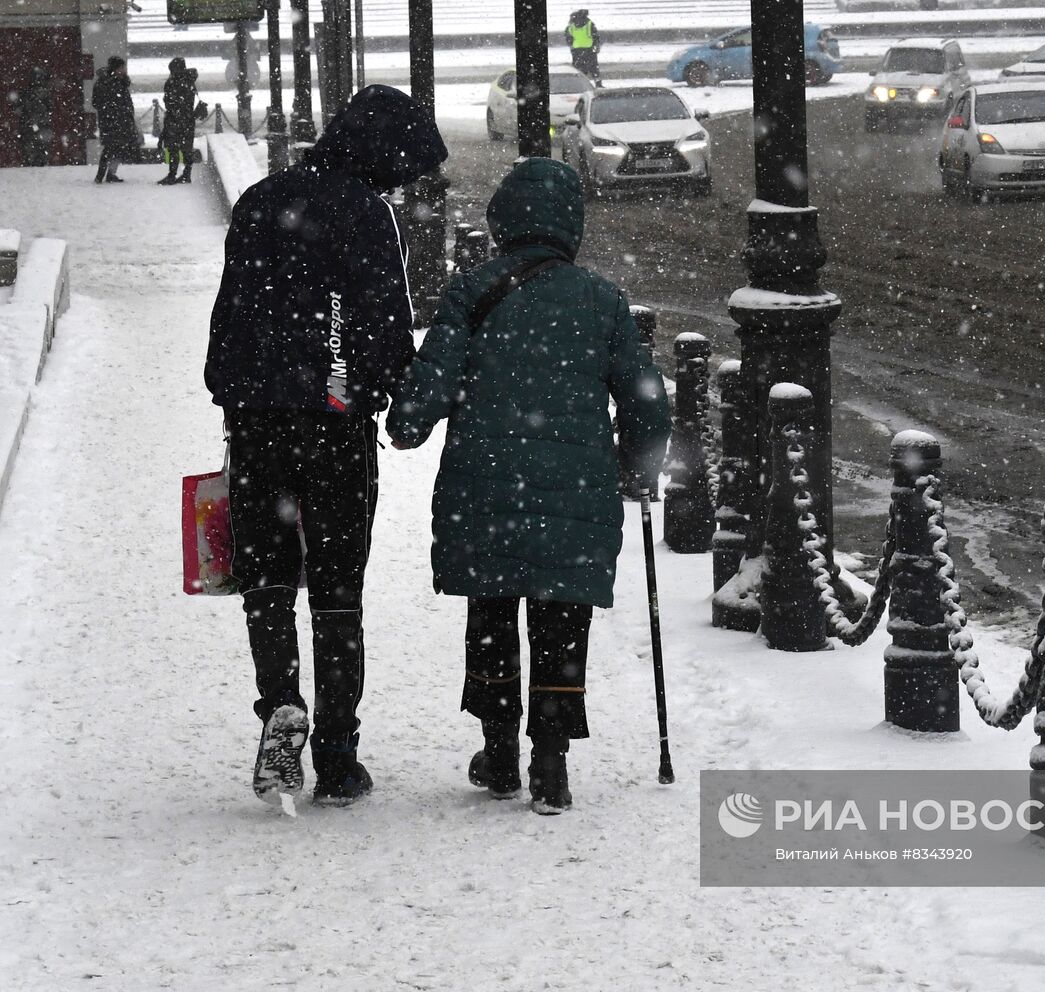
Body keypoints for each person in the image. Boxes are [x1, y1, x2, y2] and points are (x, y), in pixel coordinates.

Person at [386, 158, 670, 815]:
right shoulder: (602, 300)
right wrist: (638, 467)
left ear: (502, 220)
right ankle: (552, 760)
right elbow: (647, 400)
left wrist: (406, 423)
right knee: (560, 616)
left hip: (484, 491)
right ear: (571, 223)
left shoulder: (471, 290)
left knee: (492, 616)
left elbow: (428, 385)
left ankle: (499, 753)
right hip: (573, 490)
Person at [206, 85, 448, 807]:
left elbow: (231, 315)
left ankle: (281, 702)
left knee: (270, 579)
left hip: (258, 420)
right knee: (339, 591)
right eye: (403, 166)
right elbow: (381, 326)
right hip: (336, 421)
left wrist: (239, 389)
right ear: (381, 153)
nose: (403, 182)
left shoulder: (261, 201)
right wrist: (384, 394)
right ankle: (339, 755)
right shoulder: (366, 214)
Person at [93, 57, 140, 184]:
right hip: (110, 122)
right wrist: (112, 110)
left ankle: (111, 174)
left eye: (123, 68)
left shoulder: (121, 82)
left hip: (122, 121)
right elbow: (96, 102)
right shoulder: (104, 82)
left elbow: (125, 102)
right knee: (109, 149)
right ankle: (100, 176)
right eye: (121, 68)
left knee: (119, 148)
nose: (123, 70)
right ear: (114, 68)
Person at [159, 58, 199, 184]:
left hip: (174, 120)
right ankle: (186, 174)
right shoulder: (189, 80)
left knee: (173, 148)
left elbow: (170, 102)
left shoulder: (173, 82)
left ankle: (172, 174)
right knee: (186, 148)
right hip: (188, 120)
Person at [19, 66, 54, 167]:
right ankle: (39, 161)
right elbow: (50, 107)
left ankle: (33, 161)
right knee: (41, 145)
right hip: (39, 122)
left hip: (31, 122)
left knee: (32, 145)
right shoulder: (44, 92)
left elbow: (21, 108)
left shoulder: (26, 92)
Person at [564, 9, 603, 85]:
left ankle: (579, 84)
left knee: (579, 69)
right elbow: (595, 36)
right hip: (590, 49)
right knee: (594, 67)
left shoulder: (571, 25)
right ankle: (598, 83)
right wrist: (596, 45)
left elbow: (568, 36)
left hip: (576, 50)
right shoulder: (589, 23)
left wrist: (571, 45)